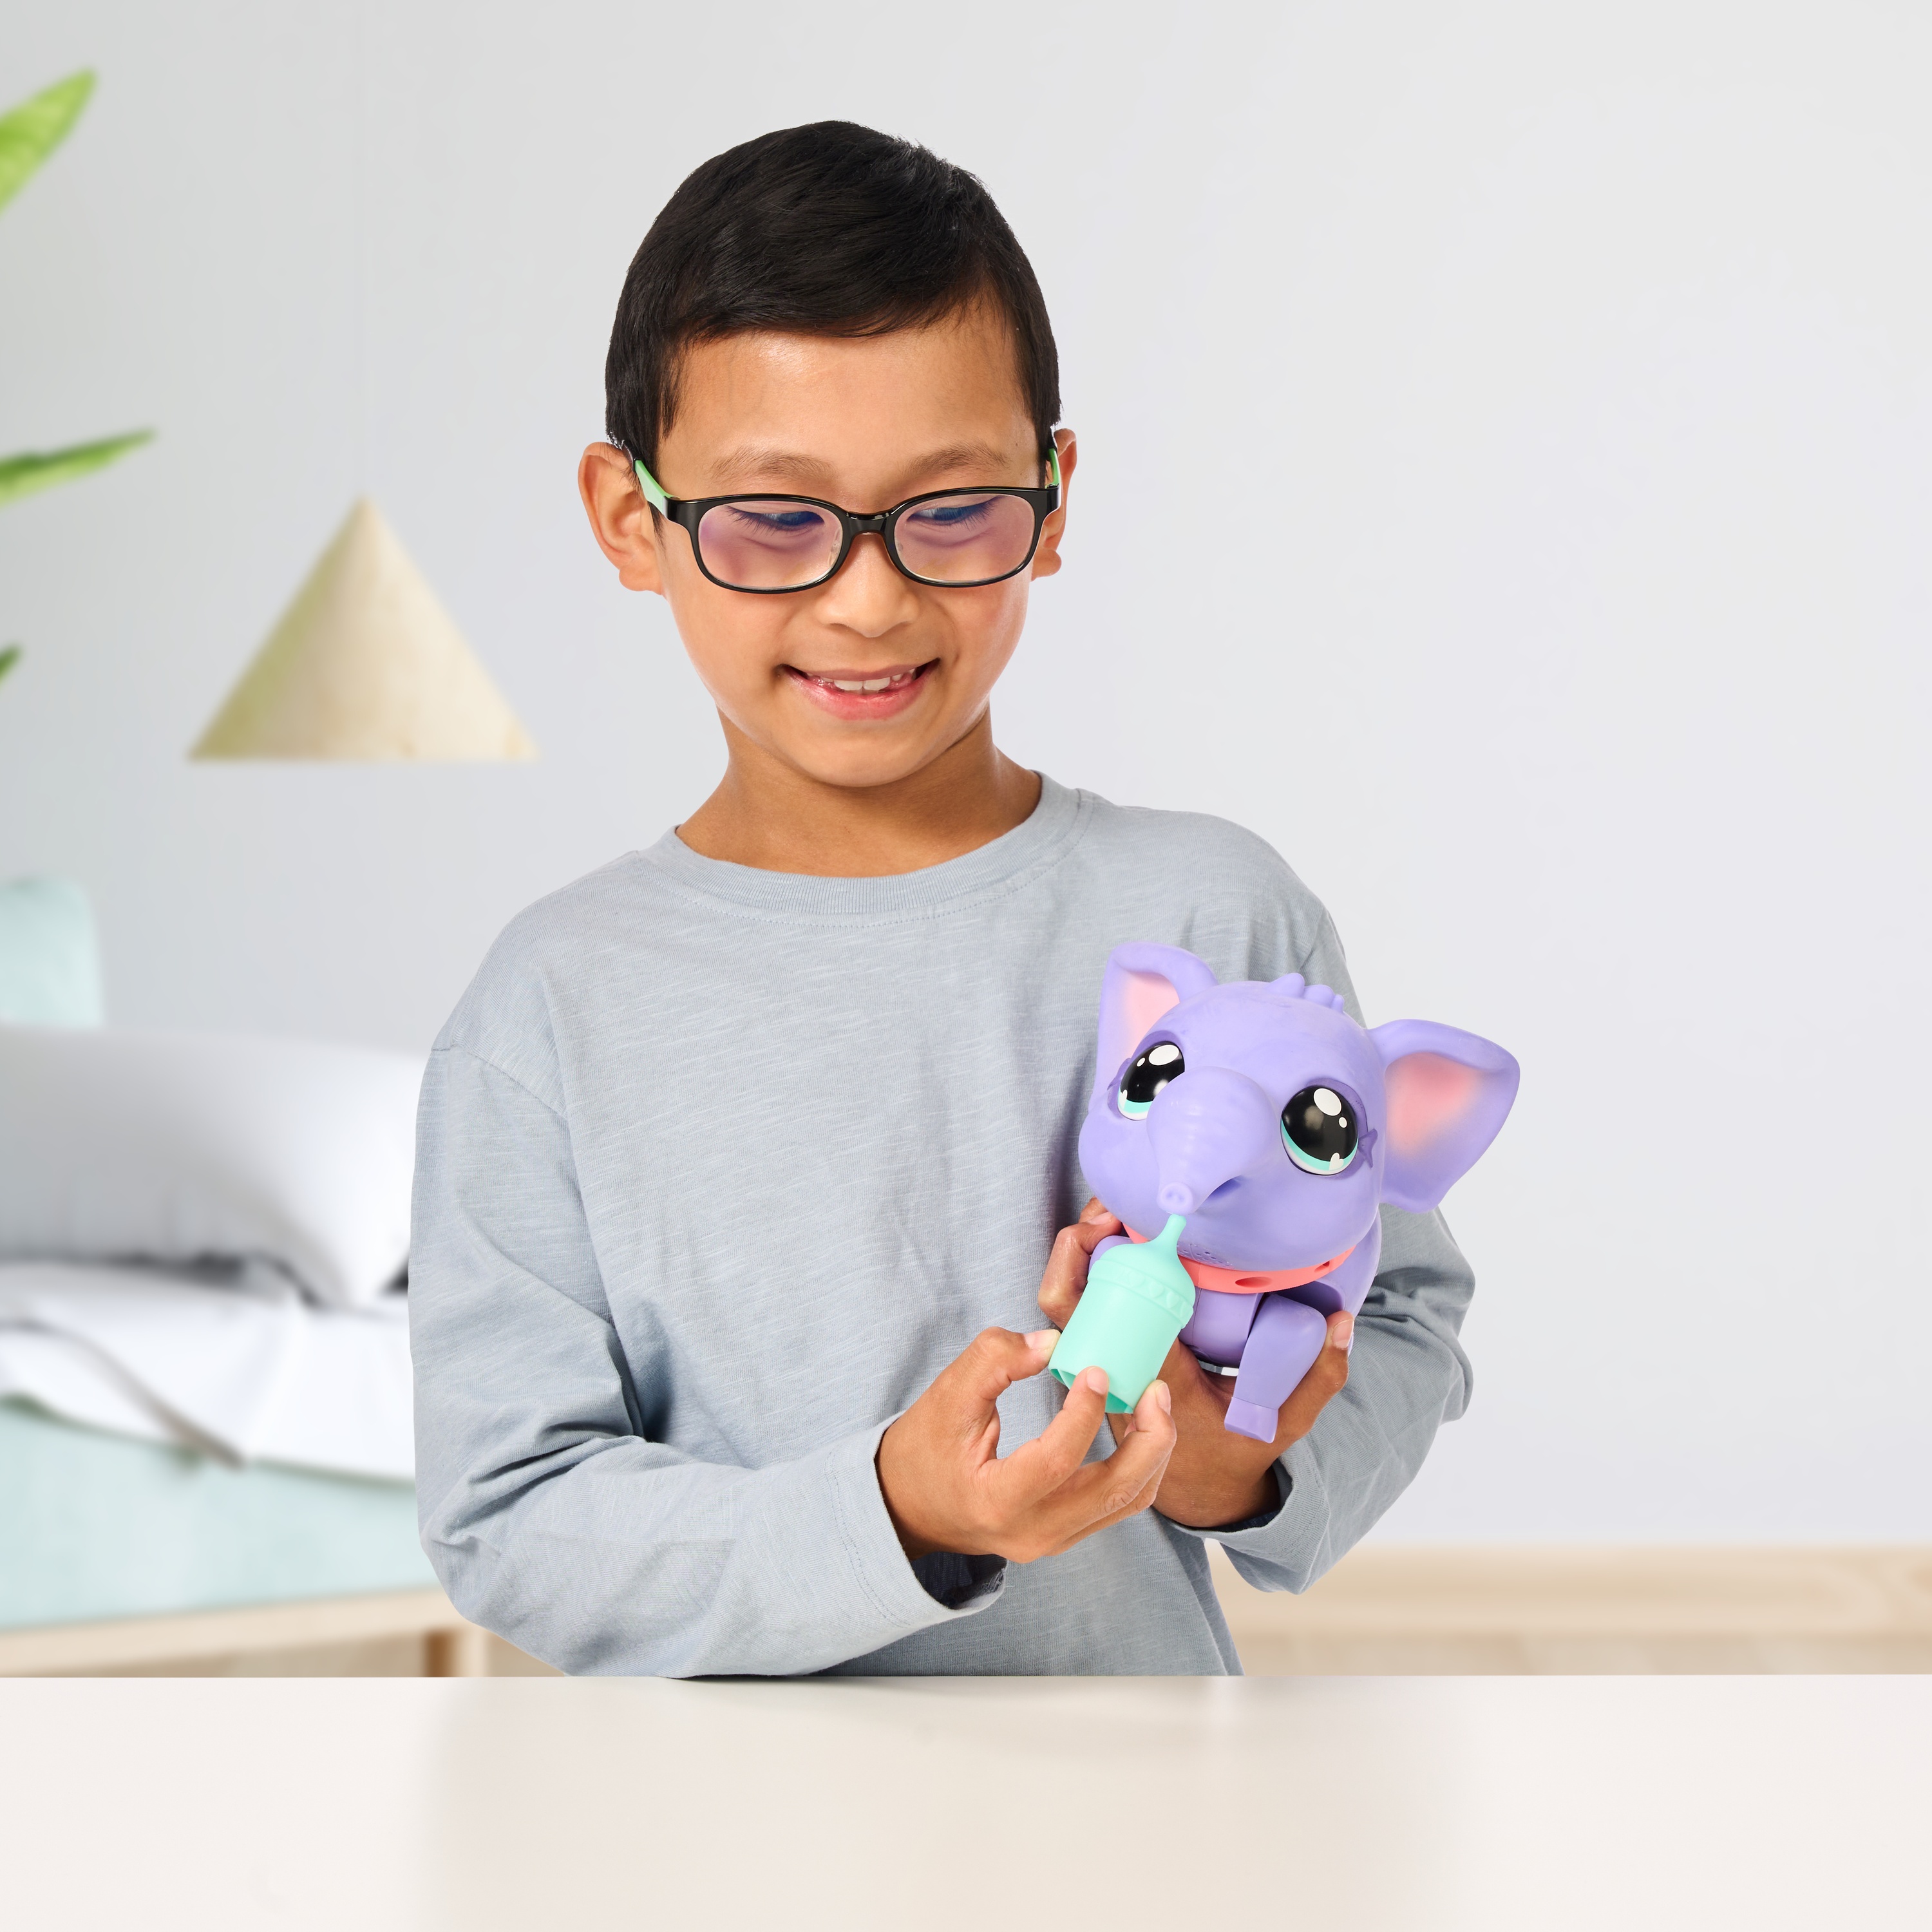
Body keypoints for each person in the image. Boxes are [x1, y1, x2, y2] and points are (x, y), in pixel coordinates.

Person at [410, 122, 1475, 1674]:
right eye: (776, 519)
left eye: (953, 508)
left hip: (1139, 1790)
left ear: (1053, 496)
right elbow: (510, 1512)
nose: (869, 598)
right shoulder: (552, 1005)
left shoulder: (1214, 913)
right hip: (706, 1814)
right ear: (634, 520)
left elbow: (1402, 1314)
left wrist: (1232, 1462)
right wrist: (895, 1516)